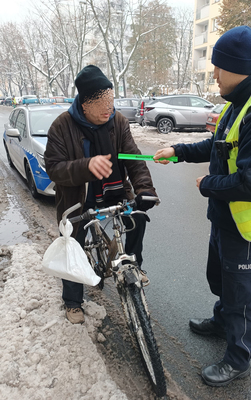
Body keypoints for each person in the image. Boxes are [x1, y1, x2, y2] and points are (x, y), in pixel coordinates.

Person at [154, 26, 251, 387]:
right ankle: (222, 323)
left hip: (250, 226)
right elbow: (220, 144)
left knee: (244, 294)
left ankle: (239, 357)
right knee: (223, 279)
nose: (214, 75)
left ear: (240, 67)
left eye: (219, 67)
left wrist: (207, 185)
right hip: (228, 218)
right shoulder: (240, 103)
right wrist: (180, 151)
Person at [45, 65, 158, 324]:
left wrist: (145, 189)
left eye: (111, 102)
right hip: (78, 199)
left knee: (138, 217)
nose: (109, 109)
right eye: (101, 105)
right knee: (72, 243)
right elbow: (54, 168)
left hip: (115, 191)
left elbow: (133, 158)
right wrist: (86, 166)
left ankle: (133, 265)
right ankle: (73, 301)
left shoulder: (117, 121)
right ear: (84, 105)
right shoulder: (62, 126)